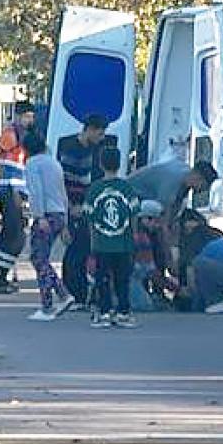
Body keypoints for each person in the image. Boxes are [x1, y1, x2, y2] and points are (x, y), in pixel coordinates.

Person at [84, 147, 140, 329]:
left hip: (101, 243)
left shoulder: (94, 189)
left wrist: (93, 242)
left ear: (100, 164)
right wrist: (134, 237)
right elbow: (133, 215)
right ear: (120, 163)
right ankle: (124, 311)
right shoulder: (126, 188)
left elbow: (90, 218)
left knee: (102, 279)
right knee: (122, 279)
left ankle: (105, 311)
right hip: (123, 243)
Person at [57, 114, 108, 305]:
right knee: (75, 251)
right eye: (99, 133)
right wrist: (70, 207)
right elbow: (65, 181)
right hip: (72, 206)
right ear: (90, 129)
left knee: (84, 249)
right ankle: (73, 293)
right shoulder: (70, 148)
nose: (101, 138)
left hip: (85, 207)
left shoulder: (96, 149)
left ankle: (79, 293)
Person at [24, 131, 74, 321]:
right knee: (41, 258)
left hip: (46, 215)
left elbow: (36, 191)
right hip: (59, 214)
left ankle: (52, 301)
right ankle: (58, 297)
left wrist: (39, 216)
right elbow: (63, 193)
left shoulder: (33, 164)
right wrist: (66, 224)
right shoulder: (54, 163)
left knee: (39, 258)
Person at [0, 101, 36, 294]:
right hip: (9, 190)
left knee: (11, 236)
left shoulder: (25, 135)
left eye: (32, 116)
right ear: (18, 116)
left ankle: (1, 278)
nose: (30, 120)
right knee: (16, 238)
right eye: (27, 116)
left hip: (16, 190)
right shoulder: (11, 134)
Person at [127, 158, 219, 227]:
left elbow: (176, 210)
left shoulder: (186, 174)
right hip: (129, 196)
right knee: (156, 209)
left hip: (146, 197)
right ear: (198, 177)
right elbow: (165, 219)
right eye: (203, 186)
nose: (202, 190)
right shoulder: (172, 182)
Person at [129, 200, 177, 312]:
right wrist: (176, 288)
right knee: (145, 307)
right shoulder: (140, 238)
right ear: (144, 219)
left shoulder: (152, 236)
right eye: (156, 220)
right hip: (128, 279)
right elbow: (151, 272)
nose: (158, 225)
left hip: (135, 278)